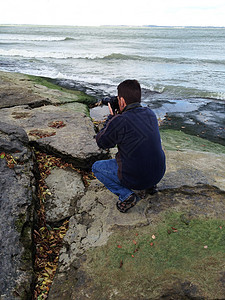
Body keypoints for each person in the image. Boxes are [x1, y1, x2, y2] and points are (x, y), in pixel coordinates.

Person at [92, 79, 166, 213]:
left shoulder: (119, 121)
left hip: (135, 179)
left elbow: (102, 142)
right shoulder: (150, 113)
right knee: (144, 151)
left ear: (121, 101)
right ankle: (150, 186)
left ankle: (126, 195)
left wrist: (111, 118)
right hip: (158, 173)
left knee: (96, 167)